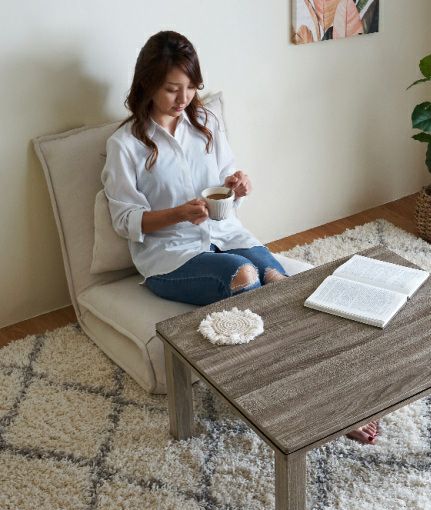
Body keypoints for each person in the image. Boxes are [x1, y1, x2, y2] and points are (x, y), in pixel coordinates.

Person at [101, 30, 379, 445]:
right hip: (169, 256)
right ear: (147, 84)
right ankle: (304, 399)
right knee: (244, 276)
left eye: (191, 87)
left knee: (281, 284)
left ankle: (332, 383)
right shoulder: (125, 145)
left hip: (225, 233)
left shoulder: (206, 124)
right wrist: (179, 213)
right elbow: (124, 220)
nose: (183, 98)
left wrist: (239, 186)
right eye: (172, 89)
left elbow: (225, 187)